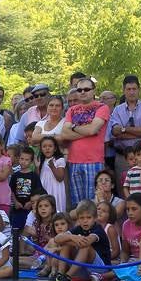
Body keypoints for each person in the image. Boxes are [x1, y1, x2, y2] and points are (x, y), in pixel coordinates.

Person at [61, 78, 111, 207]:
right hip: (74, 161)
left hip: (93, 161)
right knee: (78, 205)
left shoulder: (102, 107)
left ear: (94, 91)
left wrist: (73, 127)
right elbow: (64, 134)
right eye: (79, 90)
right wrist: (86, 131)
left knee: (94, 203)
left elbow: (92, 129)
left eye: (86, 89)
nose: (83, 92)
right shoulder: (71, 110)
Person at [107, 75, 141, 193]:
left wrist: (124, 129)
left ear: (139, 90)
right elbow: (114, 132)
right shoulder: (117, 110)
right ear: (124, 90)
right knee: (124, 189)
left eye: (134, 89)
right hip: (122, 156)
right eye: (128, 89)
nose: (132, 92)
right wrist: (140, 132)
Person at [47, 199, 112, 281]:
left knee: (85, 246)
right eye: (82, 218)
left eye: (88, 218)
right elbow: (57, 239)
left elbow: (86, 242)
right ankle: (60, 275)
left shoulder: (98, 229)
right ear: (78, 218)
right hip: (83, 268)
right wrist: (72, 237)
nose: (85, 221)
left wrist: (70, 239)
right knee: (66, 244)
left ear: (95, 218)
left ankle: (67, 276)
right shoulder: (78, 228)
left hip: (100, 269)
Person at [9, 146, 43, 228]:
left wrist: (30, 203)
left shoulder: (34, 176)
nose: (23, 162)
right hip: (17, 208)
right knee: (16, 230)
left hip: (30, 209)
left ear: (31, 162)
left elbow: (38, 191)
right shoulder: (15, 175)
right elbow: (11, 190)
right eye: (22, 159)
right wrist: (16, 202)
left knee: (29, 228)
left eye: (27, 160)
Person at [37, 137, 67, 213]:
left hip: (55, 190)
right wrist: (37, 166)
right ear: (41, 149)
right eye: (44, 146)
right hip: (44, 189)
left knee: (56, 209)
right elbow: (39, 177)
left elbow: (60, 178)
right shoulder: (42, 161)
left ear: (55, 148)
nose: (47, 148)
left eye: (50, 146)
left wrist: (52, 166)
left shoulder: (59, 160)